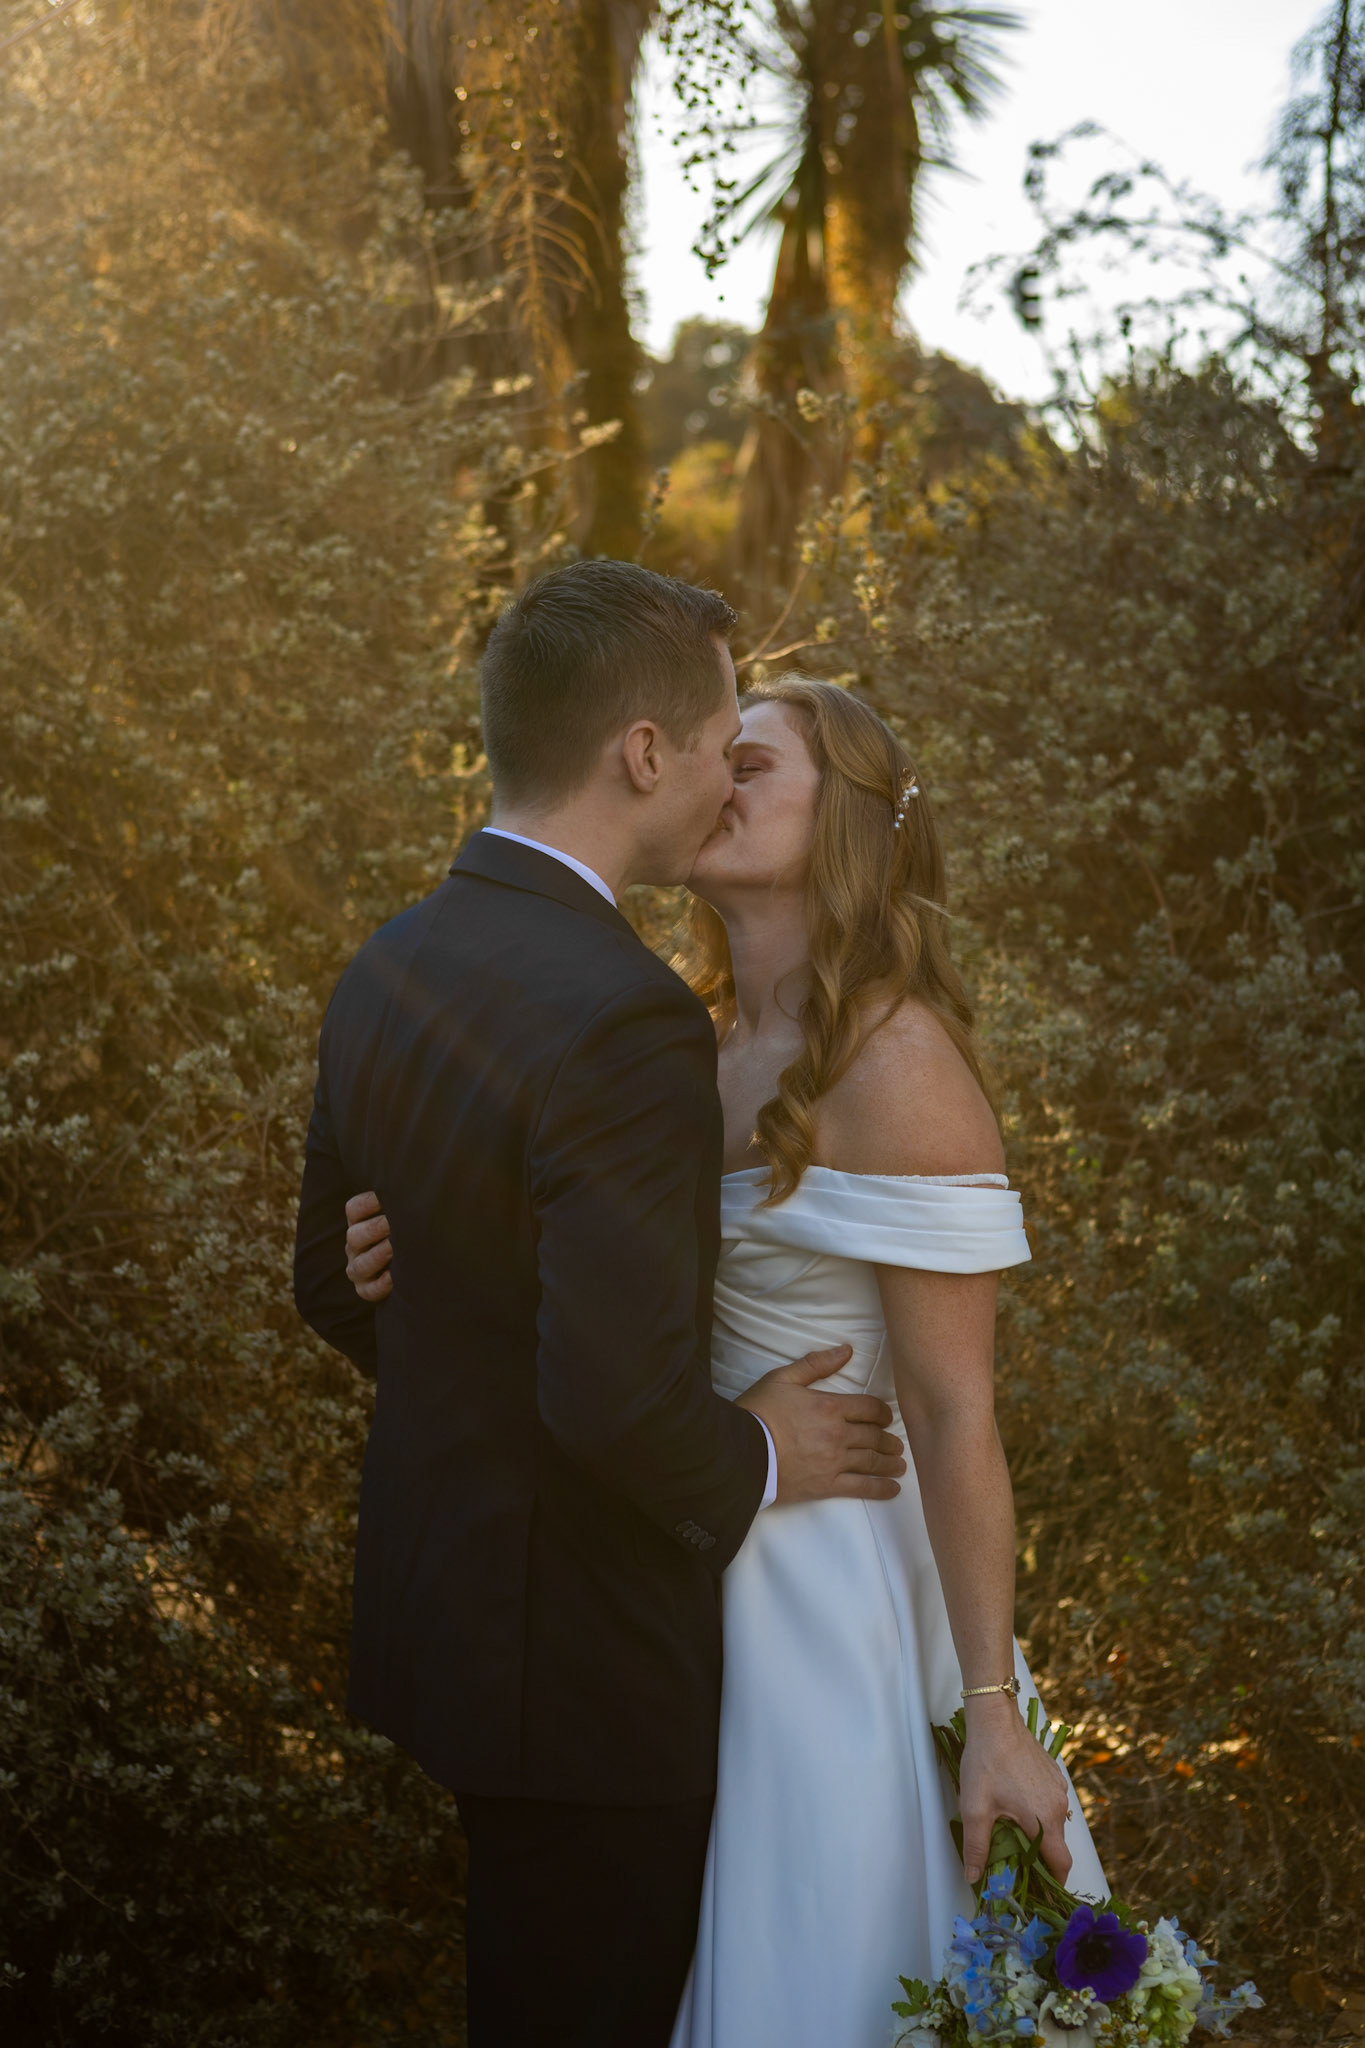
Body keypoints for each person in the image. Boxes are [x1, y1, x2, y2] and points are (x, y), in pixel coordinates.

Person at [345, 673, 1110, 2047]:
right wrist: (401, 1256)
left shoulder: (898, 1063)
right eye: (713, 755)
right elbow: (598, 1315)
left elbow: (951, 1413)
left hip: (833, 1594)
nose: (715, 780)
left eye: (751, 762)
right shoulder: (678, 1049)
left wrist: (993, 1711)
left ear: (850, 824)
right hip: (675, 1568)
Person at [293, 561, 909, 2048]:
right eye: (714, 742)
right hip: (587, 1662)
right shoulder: (626, 1014)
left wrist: (442, 1281)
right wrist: (767, 1448)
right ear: (645, 754)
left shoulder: (393, 960)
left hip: (456, 1632)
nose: (720, 775)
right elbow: (617, 1404)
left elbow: (331, 1281)